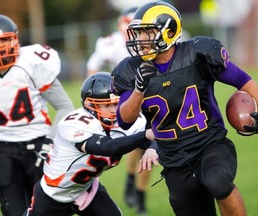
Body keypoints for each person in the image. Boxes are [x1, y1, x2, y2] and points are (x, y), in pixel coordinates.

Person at [111, 1, 258, 216]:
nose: (140, 40)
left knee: (217, 181)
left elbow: (242, 79)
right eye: (138, 34)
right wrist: (138, 90)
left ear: (168, 32)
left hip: (210, 144)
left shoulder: (198, 54)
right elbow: (125, 120)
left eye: (147, 33)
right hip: (173, 157)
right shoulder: (130, 70)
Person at [24, 72, 158, 216]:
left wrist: (152, 148)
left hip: (87, 189)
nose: (114, 110)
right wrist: (145, 135)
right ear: (89, 105)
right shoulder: (73, 124)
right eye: (106, 105)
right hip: (54, 194)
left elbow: (159, 136)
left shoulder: (128, 119)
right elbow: (107, 147)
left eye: (117, 104)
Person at [0, 14, 74, 216]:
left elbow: (64, 106)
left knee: (51, 210)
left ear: (16, 38)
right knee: (13, 211)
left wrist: (50, 141)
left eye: (4, 39)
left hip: (39, 143)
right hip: (2, 148)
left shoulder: (32, 63)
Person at [86, 6, 152, 214]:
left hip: (151, 95)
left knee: (146, 143)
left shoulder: (150, 39)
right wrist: (99, 91)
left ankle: (139, 194)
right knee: (139, 141)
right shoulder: (113, 43)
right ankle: (132, 181)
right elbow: (93, 66)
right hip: (123, 98)